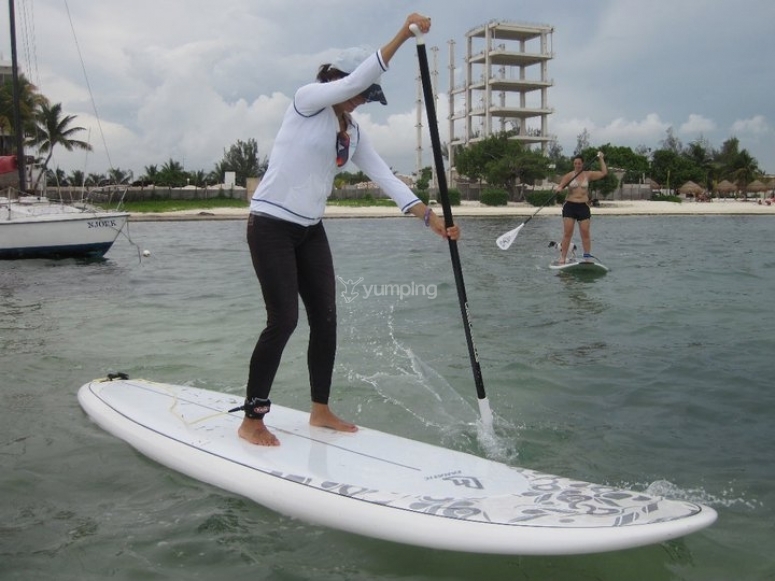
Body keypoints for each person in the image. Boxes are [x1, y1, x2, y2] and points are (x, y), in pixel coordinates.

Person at [239, 13, 459, 446]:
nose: (361, 101)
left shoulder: (353, 133)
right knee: (283, 319)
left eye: (367, 97)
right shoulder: (308, 101)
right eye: (360, 92)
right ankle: (252, 417)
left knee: (325, 319)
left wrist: (432, 220)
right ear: (340, 79)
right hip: (270, 226)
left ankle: (319, 410)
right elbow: (357, 77)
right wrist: (403, 34)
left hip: (309, 230)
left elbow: (387, 178)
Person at [555, 152, 607, 264]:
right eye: (575, 163)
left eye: (579, 163)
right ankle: (563, 257)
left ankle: (587, 258)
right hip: (570, 206)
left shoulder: (588, 174)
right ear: (573, 164)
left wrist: (601, 159)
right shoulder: (569, 176)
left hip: (583, 206)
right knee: (567, 233)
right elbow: (560, 185)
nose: (577, 165)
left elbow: (603, 173)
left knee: (585, 233)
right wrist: (559, 188)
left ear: (582, 164)